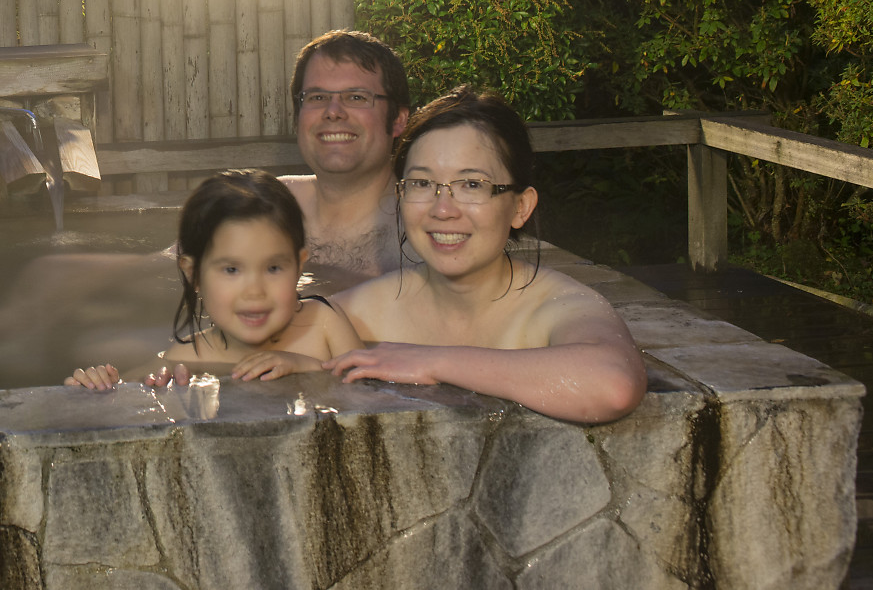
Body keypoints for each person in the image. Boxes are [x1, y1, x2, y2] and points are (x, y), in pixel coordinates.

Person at [324, 87, 648, 425]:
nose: (443, 209)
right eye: (421, 183)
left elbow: (613, 386)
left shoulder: (560, 306)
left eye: (472, 185)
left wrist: (432, 361)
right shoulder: (359, 310)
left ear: (521, 207)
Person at [66, 169, 360, 389]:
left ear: (298, 267)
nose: (254, 291)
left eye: (273, 268)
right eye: (231, 270)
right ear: (193, 275)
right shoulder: (186, 357)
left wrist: (306, 366)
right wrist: (98, 384)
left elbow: (370, 393)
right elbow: (129, 390)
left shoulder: (325, 323)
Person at [280, 30, 414, 287]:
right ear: (297, 117)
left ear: (398, 120)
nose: (333, 112)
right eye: (317, 97)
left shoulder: (426, 230)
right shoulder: (265, 206)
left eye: (356, 97)